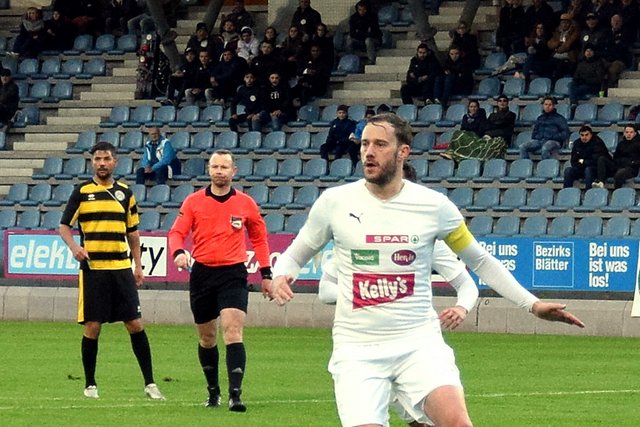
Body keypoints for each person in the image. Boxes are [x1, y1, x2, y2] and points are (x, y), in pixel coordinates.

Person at [268, 113, 584, 427]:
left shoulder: (433, 206)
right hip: (357, 350)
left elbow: (480, 260)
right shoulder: (335, 202)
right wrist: (282, 272)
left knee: (458, 422)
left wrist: (533, 304)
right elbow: (295, 254)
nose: (368, 152)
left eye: (379, 144)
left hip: (418, 343)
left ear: (403, 152)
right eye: (365, 143)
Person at [59, 141, 165, 401]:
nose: (102, 163)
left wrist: (138, 265)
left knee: (135, 324)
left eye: (106, 158)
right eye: (97, 159)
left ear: (115, 162)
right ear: (92, 162)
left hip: (121, 269)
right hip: (94, 270)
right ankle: (90, 384)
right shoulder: (82, 192)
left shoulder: (125, 193)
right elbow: (64, 226)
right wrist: (74, 247)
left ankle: (150, 383)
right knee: (93, 326)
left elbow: (133, 233)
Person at [168, 149, 273, 412]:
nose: (219, 171)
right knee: (207, 338)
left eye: (224, 167)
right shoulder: (193, 202)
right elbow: (176, 233)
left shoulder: (246, 203)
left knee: (233, 330)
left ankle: (235, 394)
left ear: (233, 172)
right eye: (215, 167)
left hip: (233, 273)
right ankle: (212, 391)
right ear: (209, 170)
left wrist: (266, 274)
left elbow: (259, 239)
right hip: (202, 273)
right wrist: (179, 252)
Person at [563, 125, 610, 190]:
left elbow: (596, 161)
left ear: (591, 135)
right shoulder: (577, 143)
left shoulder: (597, 142)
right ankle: (566, 193)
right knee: (568, 171)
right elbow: (573, 161)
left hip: (596, 170)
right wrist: (583, 162)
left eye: (586, 135)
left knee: (588, 170)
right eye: (582, 135)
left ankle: (588, 193)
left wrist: (582, 161)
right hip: (581, 168)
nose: (584, 137)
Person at [593, 124, 640, 189]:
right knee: (602, 159)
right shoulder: (621, 144)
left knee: (619, 173)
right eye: (627, 132)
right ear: (624, 133)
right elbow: (616, 158)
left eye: (631, 132)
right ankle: (601, 182)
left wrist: (632, 163)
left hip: (630, 168)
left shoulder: (638, 144)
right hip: (618, 166)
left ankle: (616, 190)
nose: (628, 134)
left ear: (635, 133)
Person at [346, 0, 382, 65]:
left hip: (373, 40)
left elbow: (373, 33)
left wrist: (359, 32)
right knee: (349, 39)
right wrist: (365, 33)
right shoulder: (354, 18)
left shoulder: (372, 16)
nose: (362, 12)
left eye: (364, 9)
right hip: (360, 39)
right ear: (357, 10)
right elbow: (352, 33)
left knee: (368, 40)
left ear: (366, 9)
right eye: (360, 10)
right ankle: (350, 59)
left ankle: (371, 60)